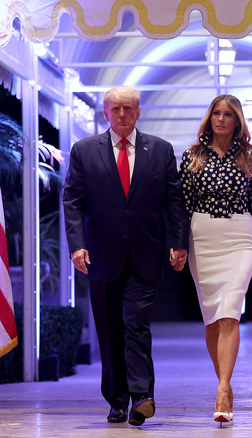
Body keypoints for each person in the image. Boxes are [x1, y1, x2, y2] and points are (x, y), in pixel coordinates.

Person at [62, 86, 188, 426]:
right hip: (100, 254)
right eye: (115, 108)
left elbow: (174, 201)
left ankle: (142, 396)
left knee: (136, 323)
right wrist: (77, 244)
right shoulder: (84, 151)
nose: (122, 114)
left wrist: (179, 243)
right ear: (105, 112)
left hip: (145, 253)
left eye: (128, 108)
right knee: (110, 330)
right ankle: (117, 401)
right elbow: (72, 201)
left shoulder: (160, 151)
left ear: (138, 112)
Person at [179, 94, 252, 424]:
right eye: (216, 113)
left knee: (230, 313)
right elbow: (182, 208)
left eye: (228, 114)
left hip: (240, 236)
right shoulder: (192, 156)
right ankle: (225, 379)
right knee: (212, 317)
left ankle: (223, 389)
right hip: (202, 238)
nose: (221, 119)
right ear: (210, 118)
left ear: (237, 121)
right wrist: (178, 247)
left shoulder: (250, 156)